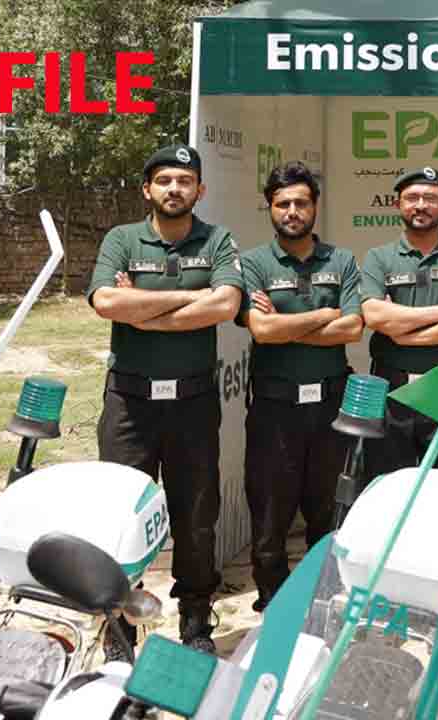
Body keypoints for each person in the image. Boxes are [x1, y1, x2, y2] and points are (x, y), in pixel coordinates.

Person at [87, 144, 242, 655]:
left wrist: (142, 310)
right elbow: (106, 301)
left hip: (193, 403)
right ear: (147, 189)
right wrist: (193, 297)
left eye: (184, 180)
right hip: (129, 403)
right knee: (121, 515)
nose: (175, 188)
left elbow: (226, 304)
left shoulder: (217, 240)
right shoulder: (121, 239)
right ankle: (119, 628)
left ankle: (195, 623)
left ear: (200, 189)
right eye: (165, 180)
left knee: (196, 516)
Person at [238, 161, 363, 613]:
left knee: (327, 506)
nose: (292, 211)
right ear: (270, 208)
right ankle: (272, 597)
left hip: (331, 405)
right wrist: (325, 315)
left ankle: (323, 591)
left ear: (315, 206)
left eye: (301, 203)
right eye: (283, 204)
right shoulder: (253, 263)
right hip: (275, 407)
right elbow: (262, 330)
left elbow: (353, 328)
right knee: (270, 506)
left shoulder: (341, 261)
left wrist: (286, 324)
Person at [359, 167, 438, 478]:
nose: (420, 205)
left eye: (430, 198)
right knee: (389, 483)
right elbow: (374, 316)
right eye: (412, 198)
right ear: (398, 204)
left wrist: (404, 333)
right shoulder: (379, 257)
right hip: (390, 388)